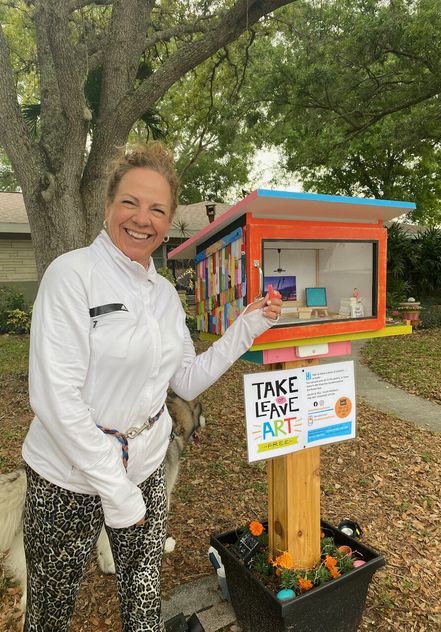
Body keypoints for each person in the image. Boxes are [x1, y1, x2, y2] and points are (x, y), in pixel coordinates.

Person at [21, 142, 282, 632]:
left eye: (157, 209)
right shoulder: (71, 276)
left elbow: (184, 378)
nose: (142, 219)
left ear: (167, 221)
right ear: (107, 206)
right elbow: (55, 399)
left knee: (143, 605)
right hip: (66, 478)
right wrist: (116, 492)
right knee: (50, 612)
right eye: (131, 203)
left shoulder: (162, 292)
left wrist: (245, 329)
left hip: (145, 467)